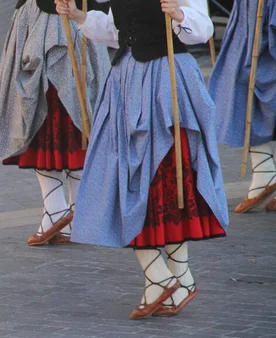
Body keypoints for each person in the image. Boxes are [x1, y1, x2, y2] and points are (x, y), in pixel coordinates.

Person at [55, 0, 229, 318]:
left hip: (168, 81)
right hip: (126, 81)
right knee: (126, 177)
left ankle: (162, 279)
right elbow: (115, 30)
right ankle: (178, 280)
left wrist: (179, 14)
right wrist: (80, 16)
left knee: (162, 179)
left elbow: (202, 30)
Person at [0, 0, 111, 246]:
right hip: (36, 20)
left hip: (71, 22)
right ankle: (65, 213)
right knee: (48, 116)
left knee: (66, 116)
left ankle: (63, 212)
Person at [208, 0, 276, 212]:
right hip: (251, 11)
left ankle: (264, 169)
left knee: (249, 75)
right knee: (240, 79)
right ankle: (263, 167)